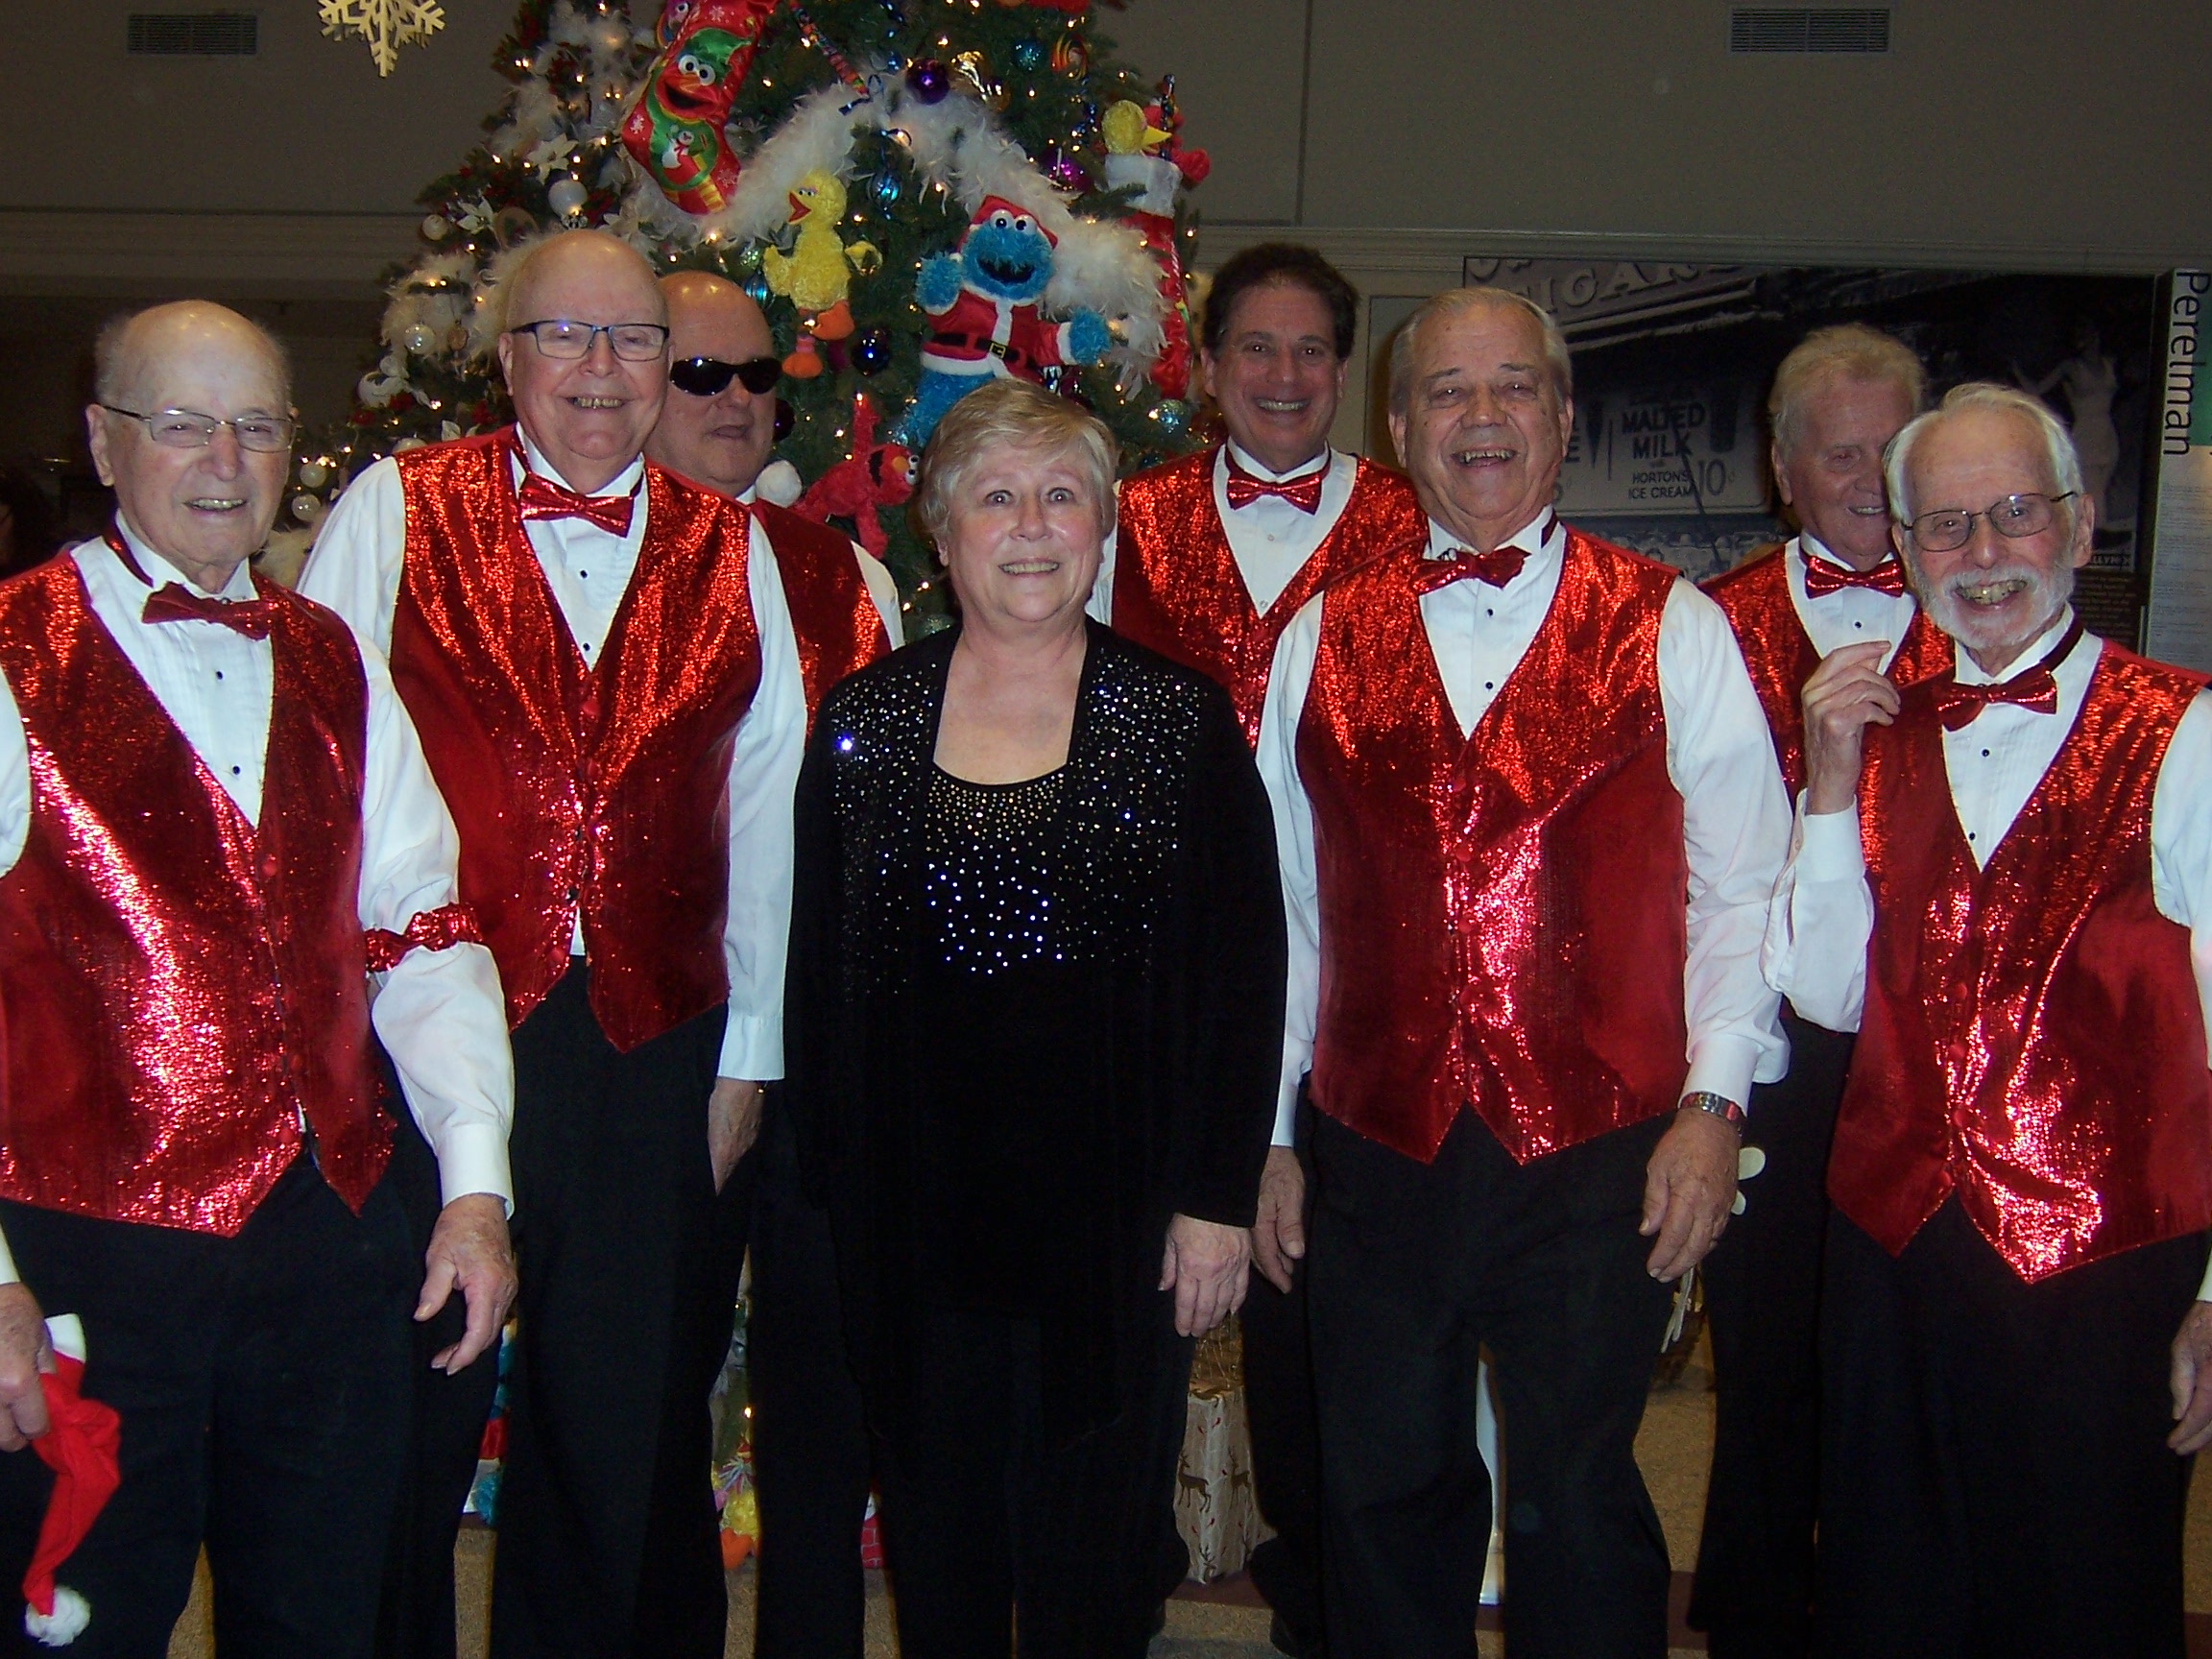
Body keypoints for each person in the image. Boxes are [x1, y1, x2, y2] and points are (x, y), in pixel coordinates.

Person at [1257, 286, 1792, 1658]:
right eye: (1447, 390)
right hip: (1376, 1145)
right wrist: (1266, 1135)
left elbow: (1744, 891)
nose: (1480, 418)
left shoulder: (1673, 624)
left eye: (1513, 389)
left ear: (1564, 419)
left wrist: (1714, 1107)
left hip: (1598, 1142)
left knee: (1579, 1495)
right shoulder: (1320, 638)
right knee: (1378, 1493)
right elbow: (1290, 912)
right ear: (1399, 425)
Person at [301, 229, 805, 1659]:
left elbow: (764, 807)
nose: (602, 370)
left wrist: (748, 1058)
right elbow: (313, 776)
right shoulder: (395, 510)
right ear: (506, 353)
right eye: (567, 337)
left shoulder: (737, 549)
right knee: (412, 1393)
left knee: (619, 1413)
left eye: (633, 340)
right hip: (426, 1024)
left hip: (653, 1039)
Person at [0, 301, 516, 1654]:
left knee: (327, 1616)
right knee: (78, 1624)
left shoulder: (336, 657)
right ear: (105, 448)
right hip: (83, 1247)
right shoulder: (10, 650)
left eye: (257, 425)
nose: (223, 459)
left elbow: (424, 925)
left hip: (327, 1240)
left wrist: (472, 1189)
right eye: (180, 424)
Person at [786, 378, 1286, 1659]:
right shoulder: (864, 725)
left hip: (1116, 1232)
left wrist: (1219, 1199)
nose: (1030, 526)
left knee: (1094, 1573)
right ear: (943, 534)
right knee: (944, 1566)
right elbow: (823, 992)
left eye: (1061, 496)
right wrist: (836, 1203)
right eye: (996, 497)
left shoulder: (1174, 722)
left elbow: (1246, 975)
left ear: (1101, 531)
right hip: (917, 1224)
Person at [1767, 381, 2212, 1658]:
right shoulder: (1875, 730)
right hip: (1893, 1243)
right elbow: (1826, 996)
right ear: (1903, 553)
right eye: (1947, 525)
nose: (1982, 553)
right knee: (1885, 1589)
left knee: (2082, 1592)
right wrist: (1829, 793)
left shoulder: (2184, 733)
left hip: (2103, 1260)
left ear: (2078, 528)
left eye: (2014, 514)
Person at [1093, 242, 1423, 1659]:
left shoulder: (1417, 520)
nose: (1284, 377)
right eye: (1256, 351)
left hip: (1349, 954)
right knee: (1135, 1271)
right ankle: (1113, 1573)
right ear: (1210, 367)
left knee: (1320, 1303)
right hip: (1157, 957)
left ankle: (1325, 1592)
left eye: (1310, 353)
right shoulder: (1120, 516)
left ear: (1343, 375)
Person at [643, 269, 900, 1659]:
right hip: (663, 1028)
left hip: (824, 1046)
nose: (737, 400)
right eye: (702, 375)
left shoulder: (844, 572)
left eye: (760, 378)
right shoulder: (603, 569)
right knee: (654, 1373)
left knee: (821, 1392)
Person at [1690, 323, 1948, 1659]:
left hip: (1950, 1045)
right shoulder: (1709, 624)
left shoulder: (1986, 604)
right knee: (1772, 1352)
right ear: (1782, 469)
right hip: (1782, 1045)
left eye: (1888, 450)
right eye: (1836, 453)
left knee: (1920, 1357)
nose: (1865, 478)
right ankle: (1751, 1621)